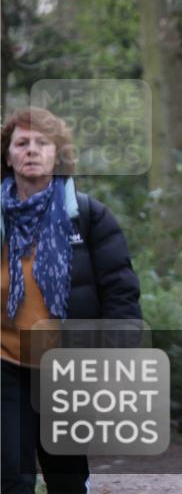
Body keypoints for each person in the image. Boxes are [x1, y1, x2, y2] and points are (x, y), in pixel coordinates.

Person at [1, 107, 142, 494]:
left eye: (42, 143)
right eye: (21, 143)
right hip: (5, 364)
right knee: (11, 475)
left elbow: (120, 291)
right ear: (8, 155)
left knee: (66, 477)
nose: (31, 151)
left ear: (58, 154)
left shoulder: (88, 216)